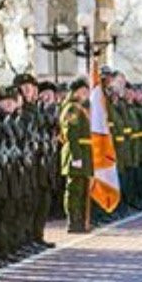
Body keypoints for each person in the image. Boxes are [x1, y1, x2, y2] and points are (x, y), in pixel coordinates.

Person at [59, 76, 93, 233]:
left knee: (83, 189)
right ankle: (73, 220)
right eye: (83, 91)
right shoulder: (72, 109)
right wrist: (76, 156)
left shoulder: (82, 108)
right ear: (75, 92)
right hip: (76, 152)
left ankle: (81, 220)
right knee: (74, 189)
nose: (86, 94)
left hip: (85, 152)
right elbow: (71, 133)